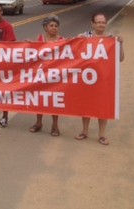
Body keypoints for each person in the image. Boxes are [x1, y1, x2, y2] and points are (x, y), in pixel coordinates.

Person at [75, 12, 125, 146]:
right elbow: (72, 53)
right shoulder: (85, 36)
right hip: (87, 79)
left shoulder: (111, 39)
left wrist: (120, 44)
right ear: (92, 24)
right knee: (86, 106)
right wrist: (76, 39)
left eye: (103, 22)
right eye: (98, 22)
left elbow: (120, 58)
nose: (101, 24)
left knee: (102, 107)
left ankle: (102, 135)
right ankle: (84, 131)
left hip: (103, 80)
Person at [29, 15, 64, 136]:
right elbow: (33, 53)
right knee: (40, 100)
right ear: (45, 27)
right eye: (51, 25)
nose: (54, 28)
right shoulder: (39, 38)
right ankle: (38, 123)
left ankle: (55, 126)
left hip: (55, 75)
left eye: (56, 26)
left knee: (54, 101)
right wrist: (28, 46)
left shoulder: (62, 40)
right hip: (41, 75)